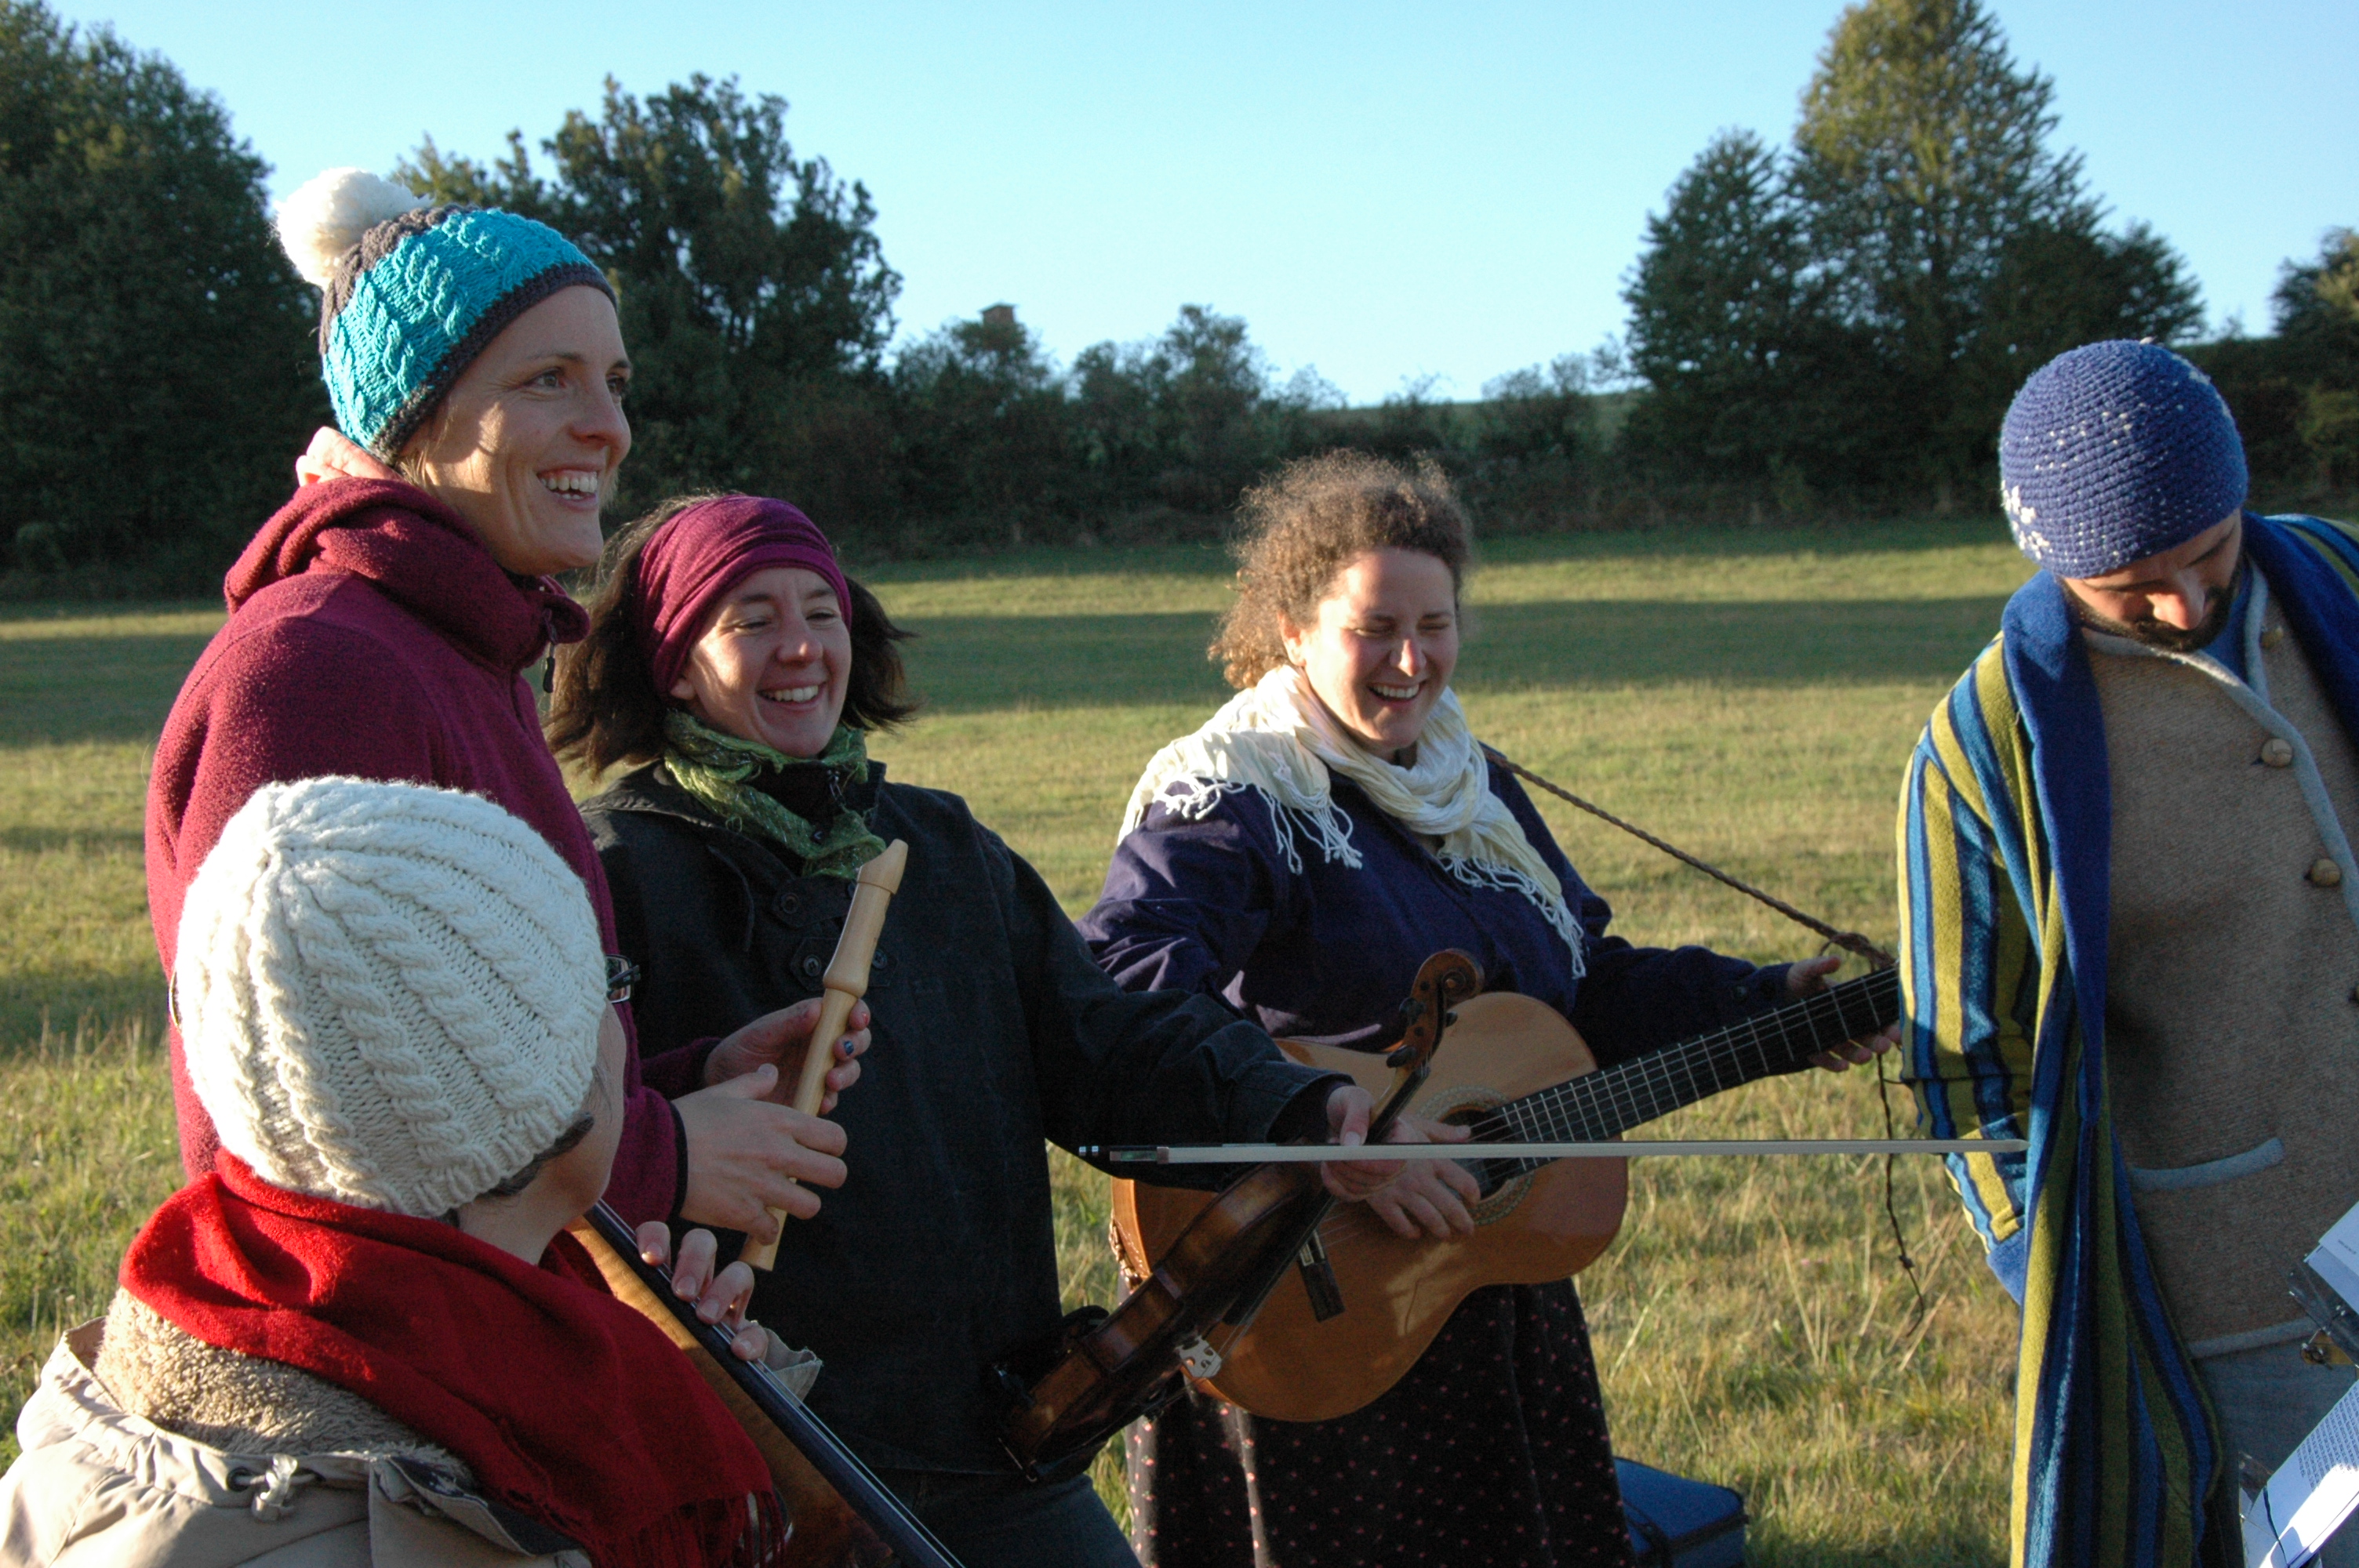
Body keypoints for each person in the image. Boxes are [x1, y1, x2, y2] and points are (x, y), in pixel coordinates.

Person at [547, 492, 1415, 1568]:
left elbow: (1103, 1044)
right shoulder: (611, 870)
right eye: (750, 620)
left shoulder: (942, 846)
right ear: (676, 666)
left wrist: (1295, 1103)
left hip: (989, 1441)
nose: (801, 646)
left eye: (820, 611)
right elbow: (571, 1137)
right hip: (765, 1455)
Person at [1076, 452, 1887, 1568]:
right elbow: (1126, 982)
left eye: (1436, 625)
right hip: (1305, 1291)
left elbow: (1580, 989)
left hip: (1480, 1272)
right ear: (1293, 630)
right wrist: (1336, 1130)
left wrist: (1768, 1003)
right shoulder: (1234, 792)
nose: (1412, 661)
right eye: (1374, 628)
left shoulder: (1471, 783)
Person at [146, 167, 844, 1236]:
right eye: (549, 380)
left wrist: (674, 1088)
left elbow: (457, 1055)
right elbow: (328, 1122)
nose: (609, 429)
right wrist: (657, 1159)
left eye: (615, 383)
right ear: (416, 413)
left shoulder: (466, 648)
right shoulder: (320, 668)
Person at [2, 776, 809, 1565]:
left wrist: (702, 1391)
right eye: (605, 985)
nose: (616, 1024)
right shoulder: (420, 1521)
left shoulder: (196, 1340)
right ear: (541, 1099)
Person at [1899, 339, 2359, 1568]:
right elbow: (1963, 1065)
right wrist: (2050, 1266)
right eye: (2130, 587)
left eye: (2210, 553)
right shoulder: (1984, 748)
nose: (2186, 605)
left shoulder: (2342, 581)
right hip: (2247, 1299)